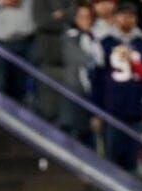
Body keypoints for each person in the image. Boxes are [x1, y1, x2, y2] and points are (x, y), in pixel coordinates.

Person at [98, 2, 142, 174]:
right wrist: (97, 109)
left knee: (137, 163)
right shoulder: (104, 42)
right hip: (112, 109)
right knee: (112, 162)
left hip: (139, 109)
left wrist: (133, 64)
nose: (126, 19)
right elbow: (96, 78)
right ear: (114, 18)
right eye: (122, 15)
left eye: (130, 15)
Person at [60, 2, 103, 140]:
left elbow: (100, 63)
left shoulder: (95, 37)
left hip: (93, 95)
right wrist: (94, 60)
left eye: (88, 17)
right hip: (75, 96)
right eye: (81, 17)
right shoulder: (69, 36)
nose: (85, 20)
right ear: (75, 18)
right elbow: (82, 59)